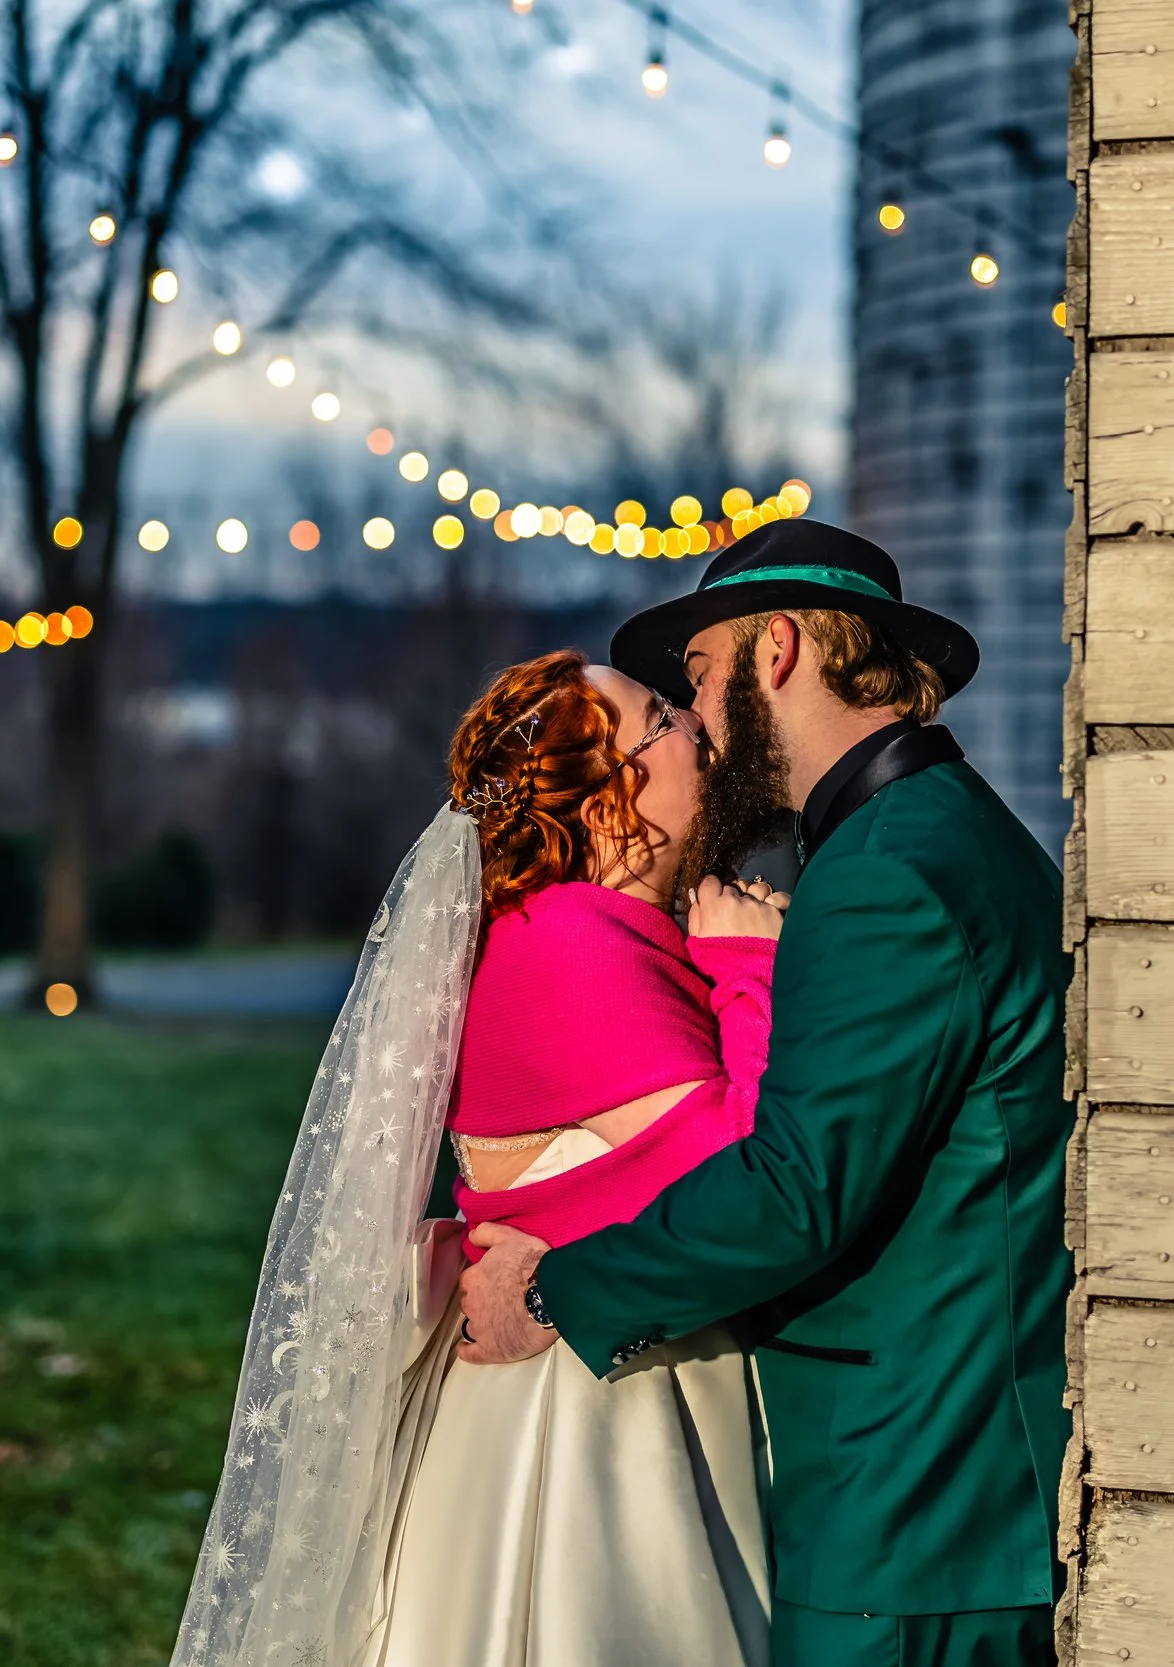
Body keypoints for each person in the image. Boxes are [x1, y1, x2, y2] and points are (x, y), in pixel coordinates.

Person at [456, 519, 1075, 1667]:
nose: (695, 715)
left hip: (916, 1505)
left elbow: (792, 1187)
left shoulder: (885, 871)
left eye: (696, 677)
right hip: (936, 1485)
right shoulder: (941, 835)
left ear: (774, 651)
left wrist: (550, 1293)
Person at [172, 649, 787, 1667]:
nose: (698, 733)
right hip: (593, 1440)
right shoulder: (571, 943)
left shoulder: (595, 929)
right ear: (605, 806)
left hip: (611, 1375)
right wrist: (748, 966)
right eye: (665, 718)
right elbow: (747, 1173)